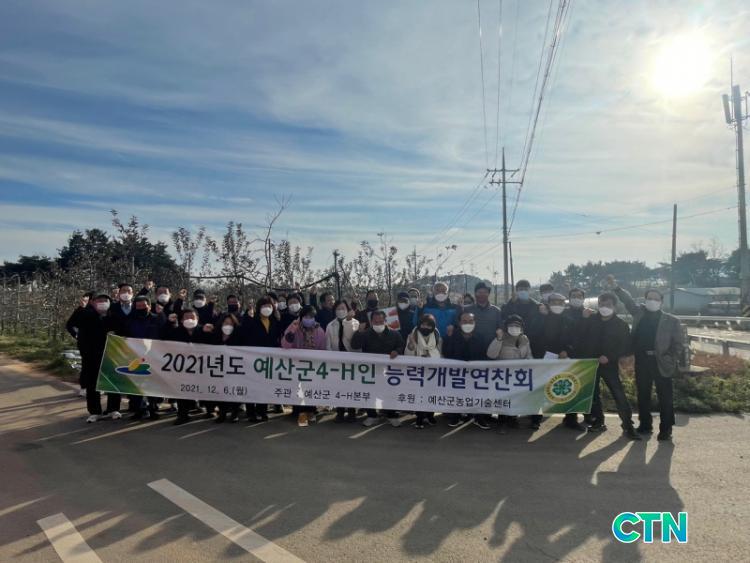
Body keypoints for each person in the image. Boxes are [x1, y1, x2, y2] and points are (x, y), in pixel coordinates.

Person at [609, 276, 683, 441]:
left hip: (661, 362)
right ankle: (645, 425)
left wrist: (670, 358)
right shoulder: (639, 314)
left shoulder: (672, 321)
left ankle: (666, 429)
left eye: (656, 299)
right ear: (645, 300)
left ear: (661, 302)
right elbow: (628, 301)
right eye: (649, 298)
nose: (652, 301)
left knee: (665, 397)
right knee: (643, 395)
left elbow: (678, 345)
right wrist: (616, 288)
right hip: (642, 361)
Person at [579, 292, 641, 439]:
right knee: (593, 395)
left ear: (614, 306)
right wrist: (583, 319)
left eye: (608, 305)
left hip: (609, 365)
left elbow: (625, 346)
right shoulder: (591, 320)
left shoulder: (621, 325)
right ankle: (598, 422)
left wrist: (609, 356)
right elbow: (580, 337)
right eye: (601, 304)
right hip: (591, 364)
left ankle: (628, 425)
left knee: (618, 394)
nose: (604, 307)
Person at [528, 293, 583, 431]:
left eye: (560, 303)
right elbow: (533, 336)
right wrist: (542, 353)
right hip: (544, 358)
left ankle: (571, 419)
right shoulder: (540, 318)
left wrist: (567, 350)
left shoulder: (569, 320)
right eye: (554, 302)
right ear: (548, 304)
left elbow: (576, 340)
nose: (557, 305)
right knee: (540, 388)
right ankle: (535, 419)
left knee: (569, 387)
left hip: (564, 358)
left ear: (565, 304)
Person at [351, 310, 404, 427]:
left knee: (390, 393)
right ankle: (372, 416)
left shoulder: (394, 334)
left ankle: (392, 416)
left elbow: (401, 345)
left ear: (385, 321)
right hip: (370, 370)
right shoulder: (365, 334)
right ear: (371, 322)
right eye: (376, 322)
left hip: (389, 371)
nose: (378, 323)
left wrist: (397, 351)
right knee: (370, 393)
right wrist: (359, 332)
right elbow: (354, 345)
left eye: (381, 321)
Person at [442, 311, 492, 429]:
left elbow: (485, 355)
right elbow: (447, 353)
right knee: (457, 395)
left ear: (475, 322)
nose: (467, 323)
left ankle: (479, 418)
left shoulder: (480, 336)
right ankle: (456, 416)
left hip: (476, 373)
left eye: (470, 321)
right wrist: (449, 337)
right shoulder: (452, 335)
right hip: (457, 373)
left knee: (477, 395)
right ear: (459, 323)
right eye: (464, 321)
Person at [164, 308, 214, 424]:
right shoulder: (176, 331)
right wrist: (169, 323)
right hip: (183, 368)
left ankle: (210, 410)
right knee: (182, 390)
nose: (189, 319)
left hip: (202, 367)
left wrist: (212, 331)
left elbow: (215, 343)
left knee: (205, 388)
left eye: (192, 317)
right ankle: (183, 415)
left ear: (197, 319)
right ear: (181, 320)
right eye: (186, 317)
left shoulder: (203, 330)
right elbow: (163, 337)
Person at [77, 293, 120, 422]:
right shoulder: (87, 316)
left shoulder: (114, 316)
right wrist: (85, 354)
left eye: (105, 300)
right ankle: (95, 411)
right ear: (93, 303)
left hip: (112, 355)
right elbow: (79, 333)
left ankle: (113, 409)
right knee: (92, 385)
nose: (102, 303)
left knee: (113, 382)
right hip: (91, 356)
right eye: (99, 300)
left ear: (110, 302)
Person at [282, 305, 326, 426]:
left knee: (311, 388)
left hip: (313, 366)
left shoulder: (320, 331)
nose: (308, 319)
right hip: (297, 365)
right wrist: (293, 328)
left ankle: (311, 411)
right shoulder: (294, 327)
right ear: (301, 317)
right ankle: (300, 412)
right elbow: (285, 345)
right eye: (306, 316)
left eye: (311, 316)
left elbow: (323, 349)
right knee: (298, 389)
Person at [123, 295, 165, 420]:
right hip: (134, 356)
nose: (141, 308)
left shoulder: (157, 319)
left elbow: (165, 333)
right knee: (136, 384)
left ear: (149, 306)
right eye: (138, 306)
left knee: (153, 384)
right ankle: (139, 410)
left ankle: (153, 408)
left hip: (153, 356)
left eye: (144, 306)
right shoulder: (129, 320)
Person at [486, 314, 531, 433]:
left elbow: (528, 355)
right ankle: (501, 423)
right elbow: (491, 354)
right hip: (503, 376)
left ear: (522, 327)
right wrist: (498, 339)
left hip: (518, 375)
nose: (514, 328)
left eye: (517, 325)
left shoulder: (524, 339)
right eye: (511, 325)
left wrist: (530, 363)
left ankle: (512, 419)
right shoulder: (501, 338)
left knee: (515, 398)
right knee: (503, 400)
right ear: (506, 327)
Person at [241, 296, 282, 422]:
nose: (267, 308)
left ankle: (262, 411)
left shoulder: (275, 320)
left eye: (269, 306)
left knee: (264, 386)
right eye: (264, 306)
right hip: (252, 358)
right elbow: (244, 333)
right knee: (251, 385)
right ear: (259, 308)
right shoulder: (252, 319)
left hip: (269, 359)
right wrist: (248, 316)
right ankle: (251, 412)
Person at [326, 300, 360, 422]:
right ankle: (340, 412)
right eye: (338, 308)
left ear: (348, 309)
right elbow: (328, 344)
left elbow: (351, 337)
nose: (341, 311)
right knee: (338, 386)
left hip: (351, 359)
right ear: (334, 310)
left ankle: (351, 412)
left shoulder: (355, 322)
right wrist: (331, 358)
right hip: (336, 360)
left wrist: (348, 321)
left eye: (343, 308)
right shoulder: (330, 325)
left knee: (351, 386)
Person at [405, 314, 441, 429]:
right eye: (423, 325)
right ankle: (419, 417)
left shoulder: (436, 334)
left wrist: (431, 357)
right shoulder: (413, 334)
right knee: (419, 394)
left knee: (431, 393)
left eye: (429, 325)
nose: (426, 327)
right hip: (418, 371)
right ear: (419, 324)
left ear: (433, 326)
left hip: (432, 370)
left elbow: (439, 351)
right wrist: (411, 344)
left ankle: (430, 415)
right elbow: (408, 354)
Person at [213, 314, 244, 423]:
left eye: (231, 324)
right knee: (220, 391)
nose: (228, 325)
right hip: (219, 368)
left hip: (234, 369)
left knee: (234, 390)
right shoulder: (215, 335)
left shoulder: (238, 336)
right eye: (226, 323)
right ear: (221, 323)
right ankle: (222, 413)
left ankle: (234, 413)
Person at [66, 291, 94, 397]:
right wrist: (76, 335)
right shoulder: (81, 310)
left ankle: (96, 386)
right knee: (86, 365)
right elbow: (69, 324)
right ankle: (84, 388)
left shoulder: (103, 310)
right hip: (85, 343)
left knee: (98, 366)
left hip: (100, 343)